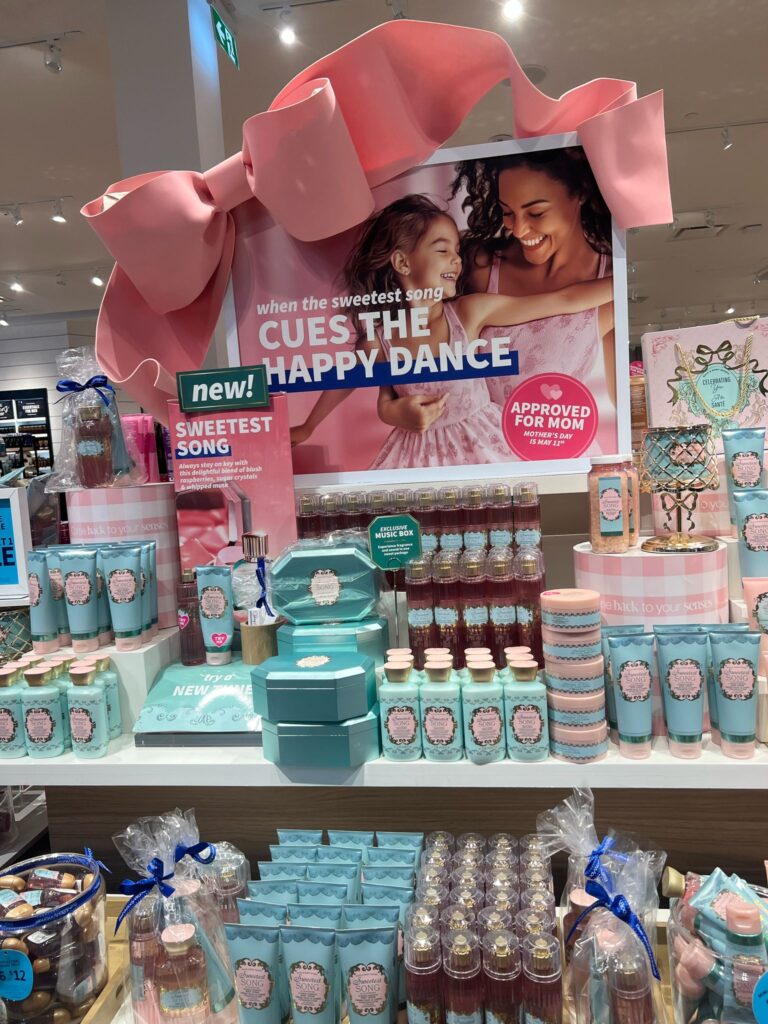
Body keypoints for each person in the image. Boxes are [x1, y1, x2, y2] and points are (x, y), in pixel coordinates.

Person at [291, 194, 613, 469]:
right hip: (417, 457)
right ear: (402, 263)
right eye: (443, 250)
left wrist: (622, 280)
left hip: (483, 444)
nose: (457, 261)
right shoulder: (382, 339)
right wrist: (308, 426)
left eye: (457, 251)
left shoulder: (467, 313)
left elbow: (561, 300)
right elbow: (345, 381)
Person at [451, 148, 616, 407]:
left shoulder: (611, 287)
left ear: (581, 193)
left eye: (536, 213)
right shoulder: (477, 266)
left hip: (554, 435)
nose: (518, 229)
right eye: (507, 212)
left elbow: (624, 404)